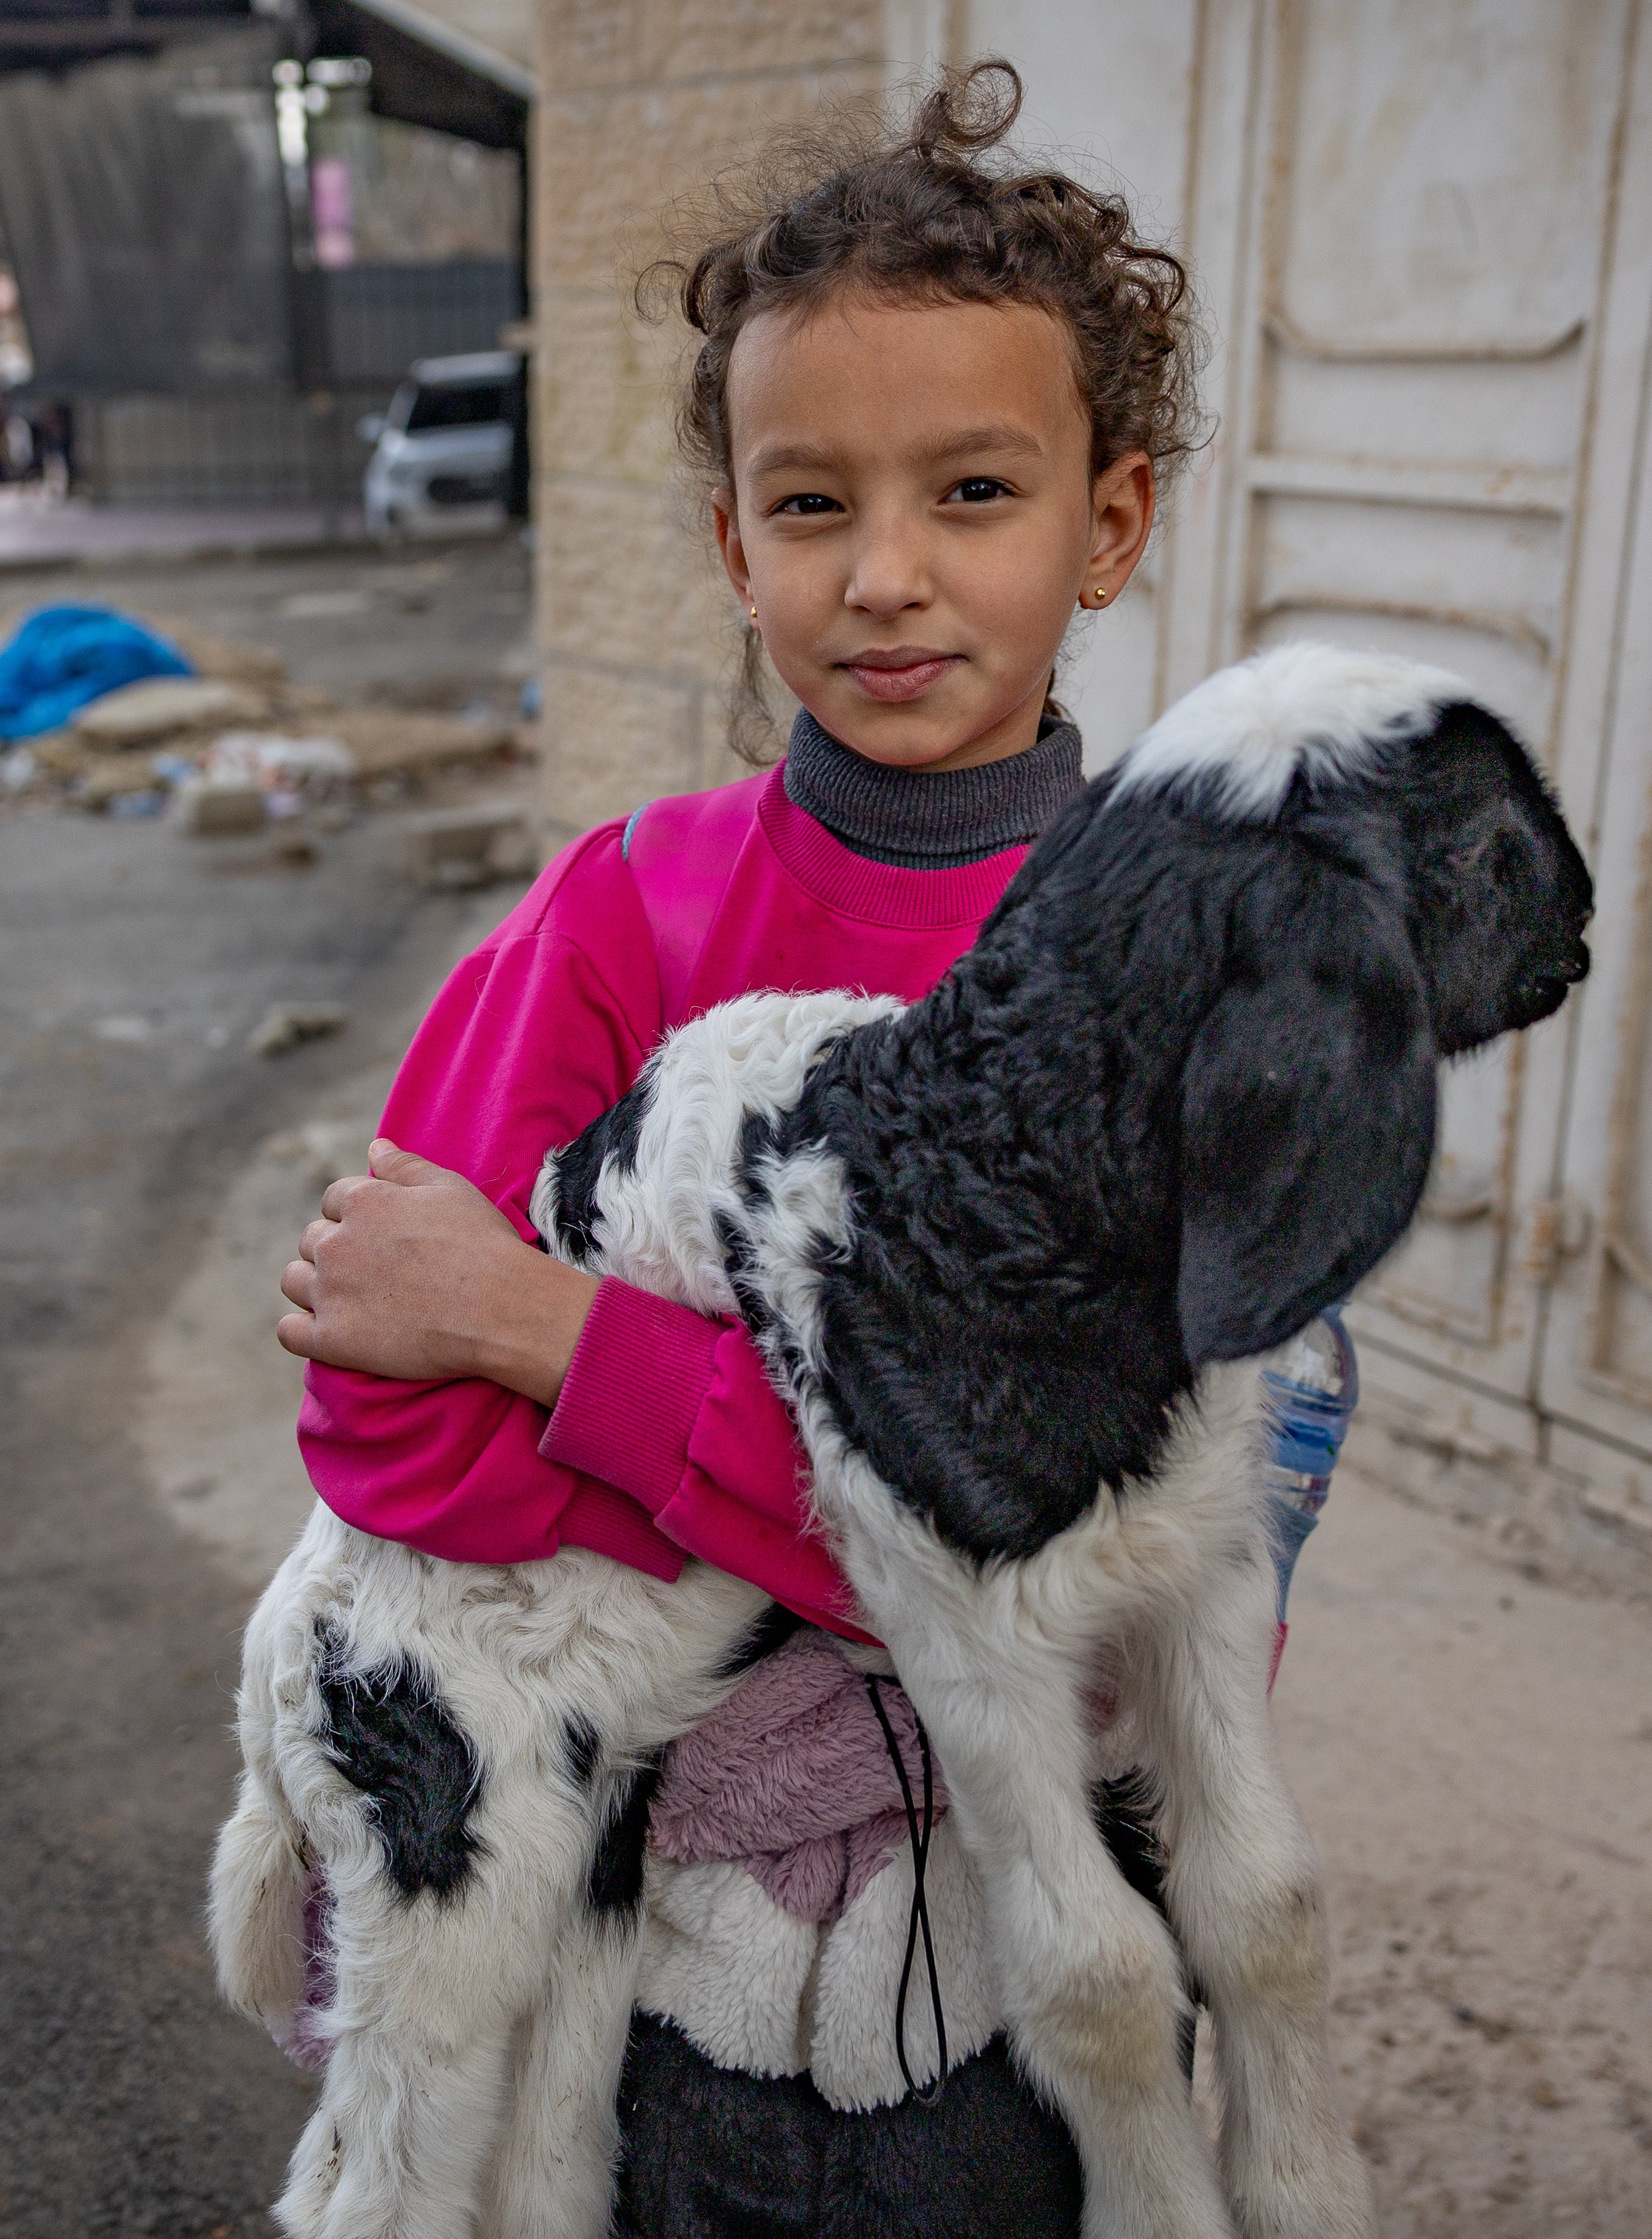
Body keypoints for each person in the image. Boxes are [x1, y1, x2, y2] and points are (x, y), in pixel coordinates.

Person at [272, 65, 1272, 2235]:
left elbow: (1111, 1600)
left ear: (1113, 517)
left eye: (976, 490)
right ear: (734, 541)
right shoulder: (624, 913)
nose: (887, 576)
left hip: (1035, 1985)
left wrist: (563, 1334)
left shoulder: (1190, 988)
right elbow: (384, 1427)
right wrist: (888, 1500)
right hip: (650, 1990)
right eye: (810, 504)